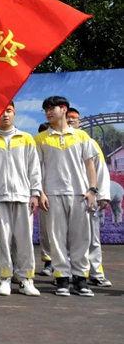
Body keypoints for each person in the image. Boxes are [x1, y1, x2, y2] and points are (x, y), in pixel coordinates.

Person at [35, 96, 105, 297]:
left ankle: (81, 279)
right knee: (56, 239)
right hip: (53, 194)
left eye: (52, 108)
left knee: (81, 238)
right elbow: (37, 169)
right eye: (46, 109)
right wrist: (41, 192)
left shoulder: (82, 136)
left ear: (64, 109)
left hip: (79, 194)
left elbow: (90, 165)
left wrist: (92, 190)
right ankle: (62, 278)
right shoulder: (40, 139)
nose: (49, 112)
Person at [0, 102, 42, 297]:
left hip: (23, 196)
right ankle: (5, 277)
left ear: (14, 113)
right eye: (1, 111)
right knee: (2, 239)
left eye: (8, 111)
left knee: (24, 240)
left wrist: (35, 193)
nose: (5, 115)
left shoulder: (26, 138)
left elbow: (34, 168)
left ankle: (25, 279)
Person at [66, 107, 112, 287]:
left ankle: (96, 273)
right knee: (67, 238)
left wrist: (102, 194)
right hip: (66, 196)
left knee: (92, 238)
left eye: (74, 118)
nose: (71, 120)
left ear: (80, 121)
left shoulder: (89, 141)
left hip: (87, 197)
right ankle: (69, 273)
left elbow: (101, 168)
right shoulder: (57, 141)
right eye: (68, 117)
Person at [36, 122, 53, 277]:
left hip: (60, 192)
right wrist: (40, 193)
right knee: (46, 230)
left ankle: (66, 267)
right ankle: (49, 262)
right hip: (43, 193)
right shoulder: (36, 149)